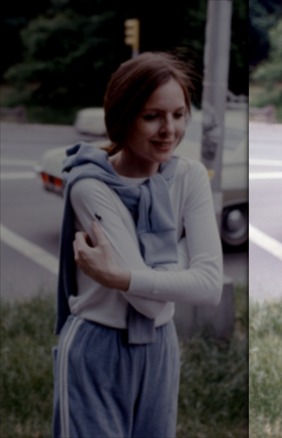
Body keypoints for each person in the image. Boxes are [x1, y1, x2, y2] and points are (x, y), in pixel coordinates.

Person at [52, 52, 223, 437]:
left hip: (161, 347)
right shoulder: (88, 185)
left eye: (178, 114)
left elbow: (211, 285)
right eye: (152, 116)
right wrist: (185, 258)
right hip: (97, 346)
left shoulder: (190, 176)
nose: (169, 130)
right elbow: (148, 300)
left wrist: (122, 274)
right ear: (123, 118)